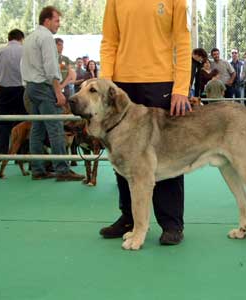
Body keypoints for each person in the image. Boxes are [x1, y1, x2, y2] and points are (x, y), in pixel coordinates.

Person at [99, 0, 192, 245]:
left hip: (161, 82)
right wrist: (106, 84)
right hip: (120, 85)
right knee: (122, 155)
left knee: (167, 152)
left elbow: (183, 41)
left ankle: (171, 223)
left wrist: (181, 87)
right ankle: (129, 218)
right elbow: (109, 41)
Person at [21, 6, 84, 181]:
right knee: (56, 127)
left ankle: (38, 169)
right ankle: (62, 169)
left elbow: (24, 65)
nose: (59, 24)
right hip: (44, 86)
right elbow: (51, 68)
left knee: (37, 129)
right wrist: (58, 92)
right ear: (47, 20)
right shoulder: (47, 37)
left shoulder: (30, 37)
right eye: (56, 20)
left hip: (31, 86)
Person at [0, 29, 27, 165]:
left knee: (3, 123)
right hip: (21, 90)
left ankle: (1, 155)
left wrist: (0, 74)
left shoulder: (0, 51)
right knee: (21, 123)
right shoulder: (24, 50)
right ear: (21, 38)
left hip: (4, 90)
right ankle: (20, 156)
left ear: (9, 38)